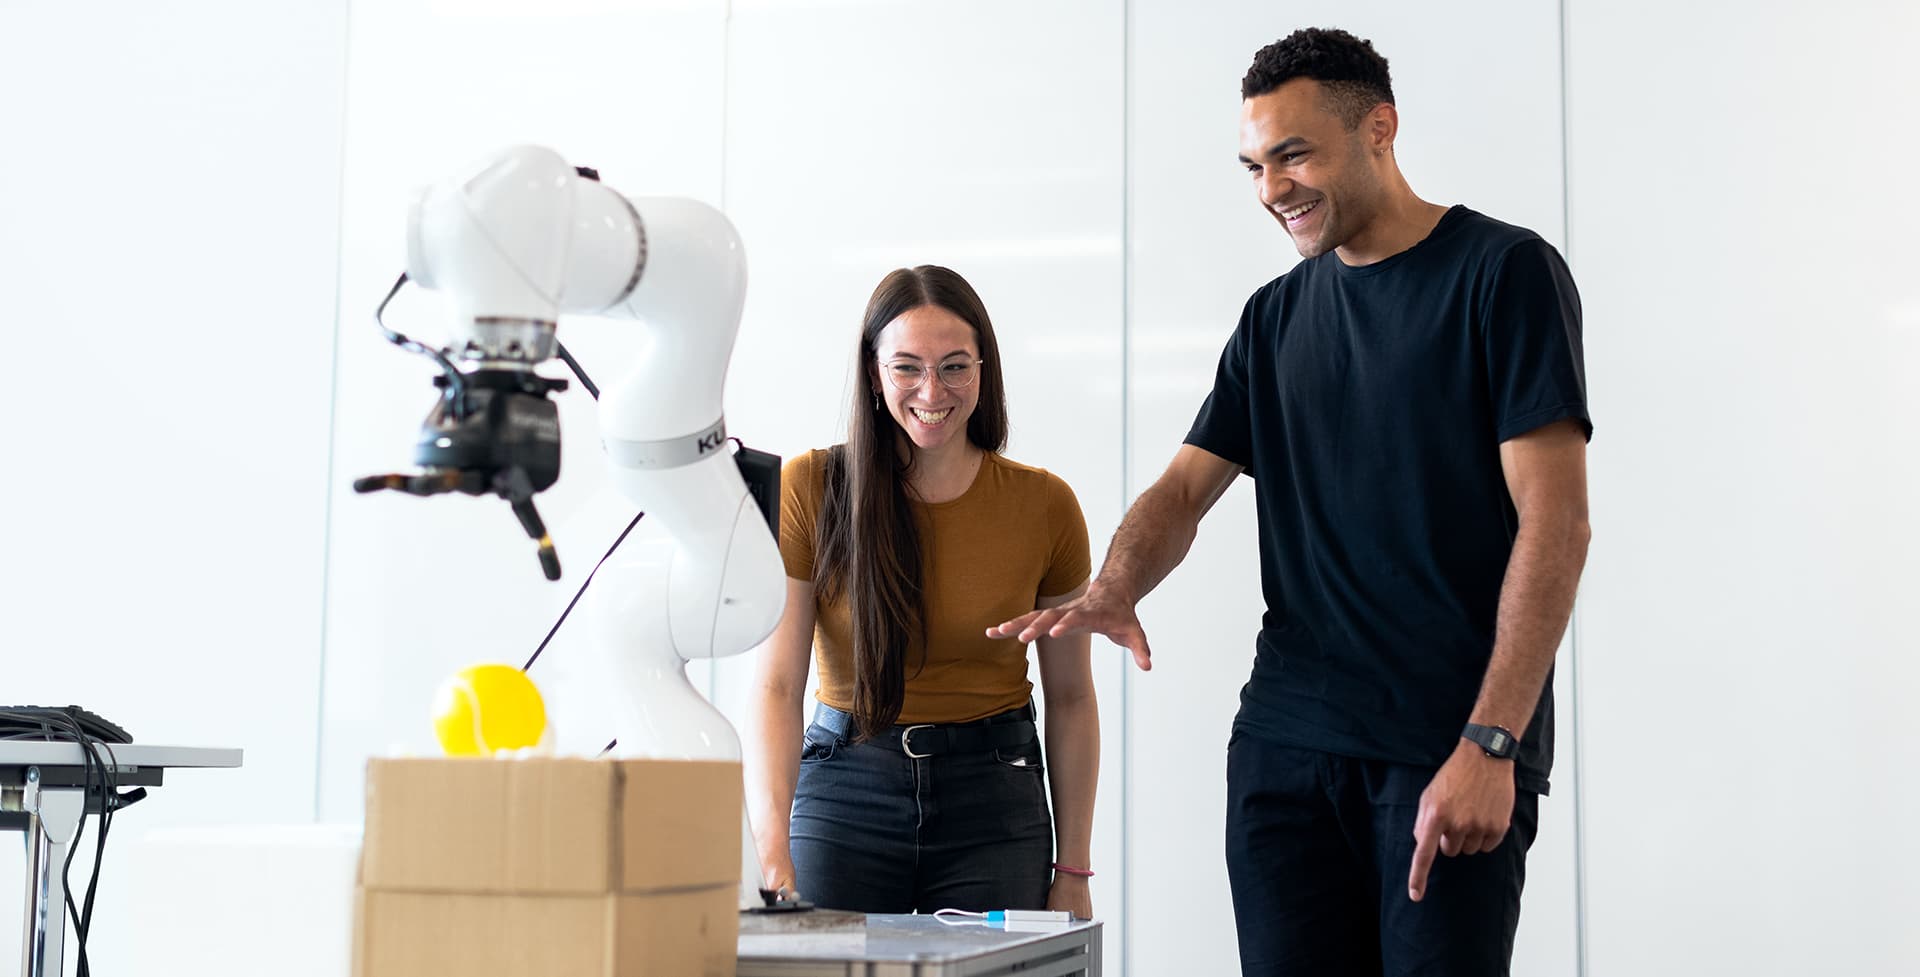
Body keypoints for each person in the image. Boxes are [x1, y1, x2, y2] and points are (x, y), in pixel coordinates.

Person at [990, 27, 1591, 976]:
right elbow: (1185, 489)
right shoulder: (1275, 318)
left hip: (1446, 751)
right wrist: (1115, 584)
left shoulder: (1501, 275)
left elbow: (1556, 522)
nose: (1272, 188)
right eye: (1255, 165)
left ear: (1380, 129)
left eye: (1294, 153)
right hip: (1285, 753)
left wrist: (1494, 740)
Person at [746, 264, 1099, 918]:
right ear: (874, 372)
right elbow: (776, 685)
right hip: (846, 784)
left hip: (994, 793)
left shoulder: (1045, 505)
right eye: (907, 366)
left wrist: (1073, 867)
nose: (931, 389)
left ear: (983, 370)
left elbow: (1072, 696)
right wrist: (770, 845)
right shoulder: (811, 485)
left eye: (954, 365)